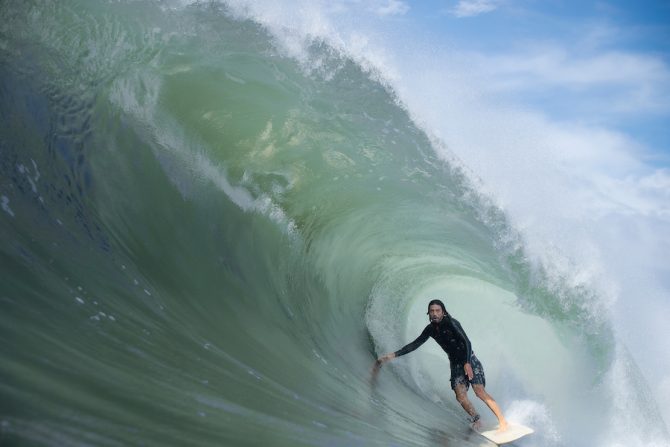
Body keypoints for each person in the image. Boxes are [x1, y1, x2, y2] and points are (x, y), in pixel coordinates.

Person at [375, 299, 508, 432]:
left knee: (479, 392)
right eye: (432, 311)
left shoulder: (452, 323)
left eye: (437, 311)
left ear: (443, 312)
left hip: (469, 359)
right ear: (428, 313)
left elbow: (467, 342)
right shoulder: (430, 329)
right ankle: (477, 419)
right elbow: (415, 344)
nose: (434, 313)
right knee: (460, 396)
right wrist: (393, 355)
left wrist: (467, 362)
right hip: (455, 364)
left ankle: (503, 422)